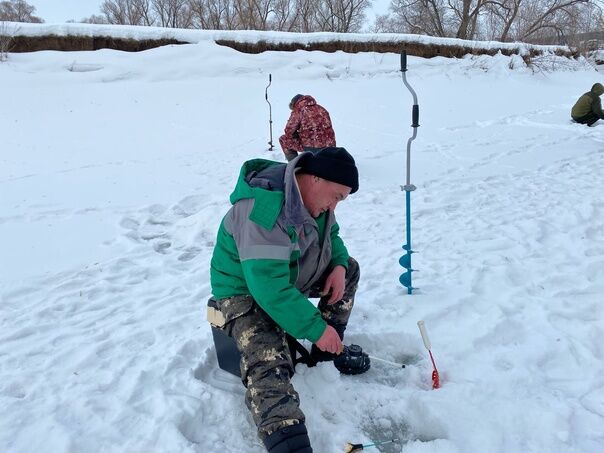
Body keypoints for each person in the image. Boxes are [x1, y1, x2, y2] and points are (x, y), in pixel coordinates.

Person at [209, 147, 369, 452]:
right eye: (337, 196)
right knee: (267, 360)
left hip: (287, 274)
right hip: (243, 289)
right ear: (316, 178)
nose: (336, 205)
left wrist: (337, 265)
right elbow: (269, 289)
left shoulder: (315, 202)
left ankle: (326, 356)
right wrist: (316, 328)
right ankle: (288, 441)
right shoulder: (262, 211)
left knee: (349, 270)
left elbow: (331, 235)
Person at [279, 95, 336, 162]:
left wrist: (296, 135)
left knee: (284, 139)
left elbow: (289, 130)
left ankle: (294, 165)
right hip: (330, 146)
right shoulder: (322, 109)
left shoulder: (299, 110)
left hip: (313, 147)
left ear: (294, 104)